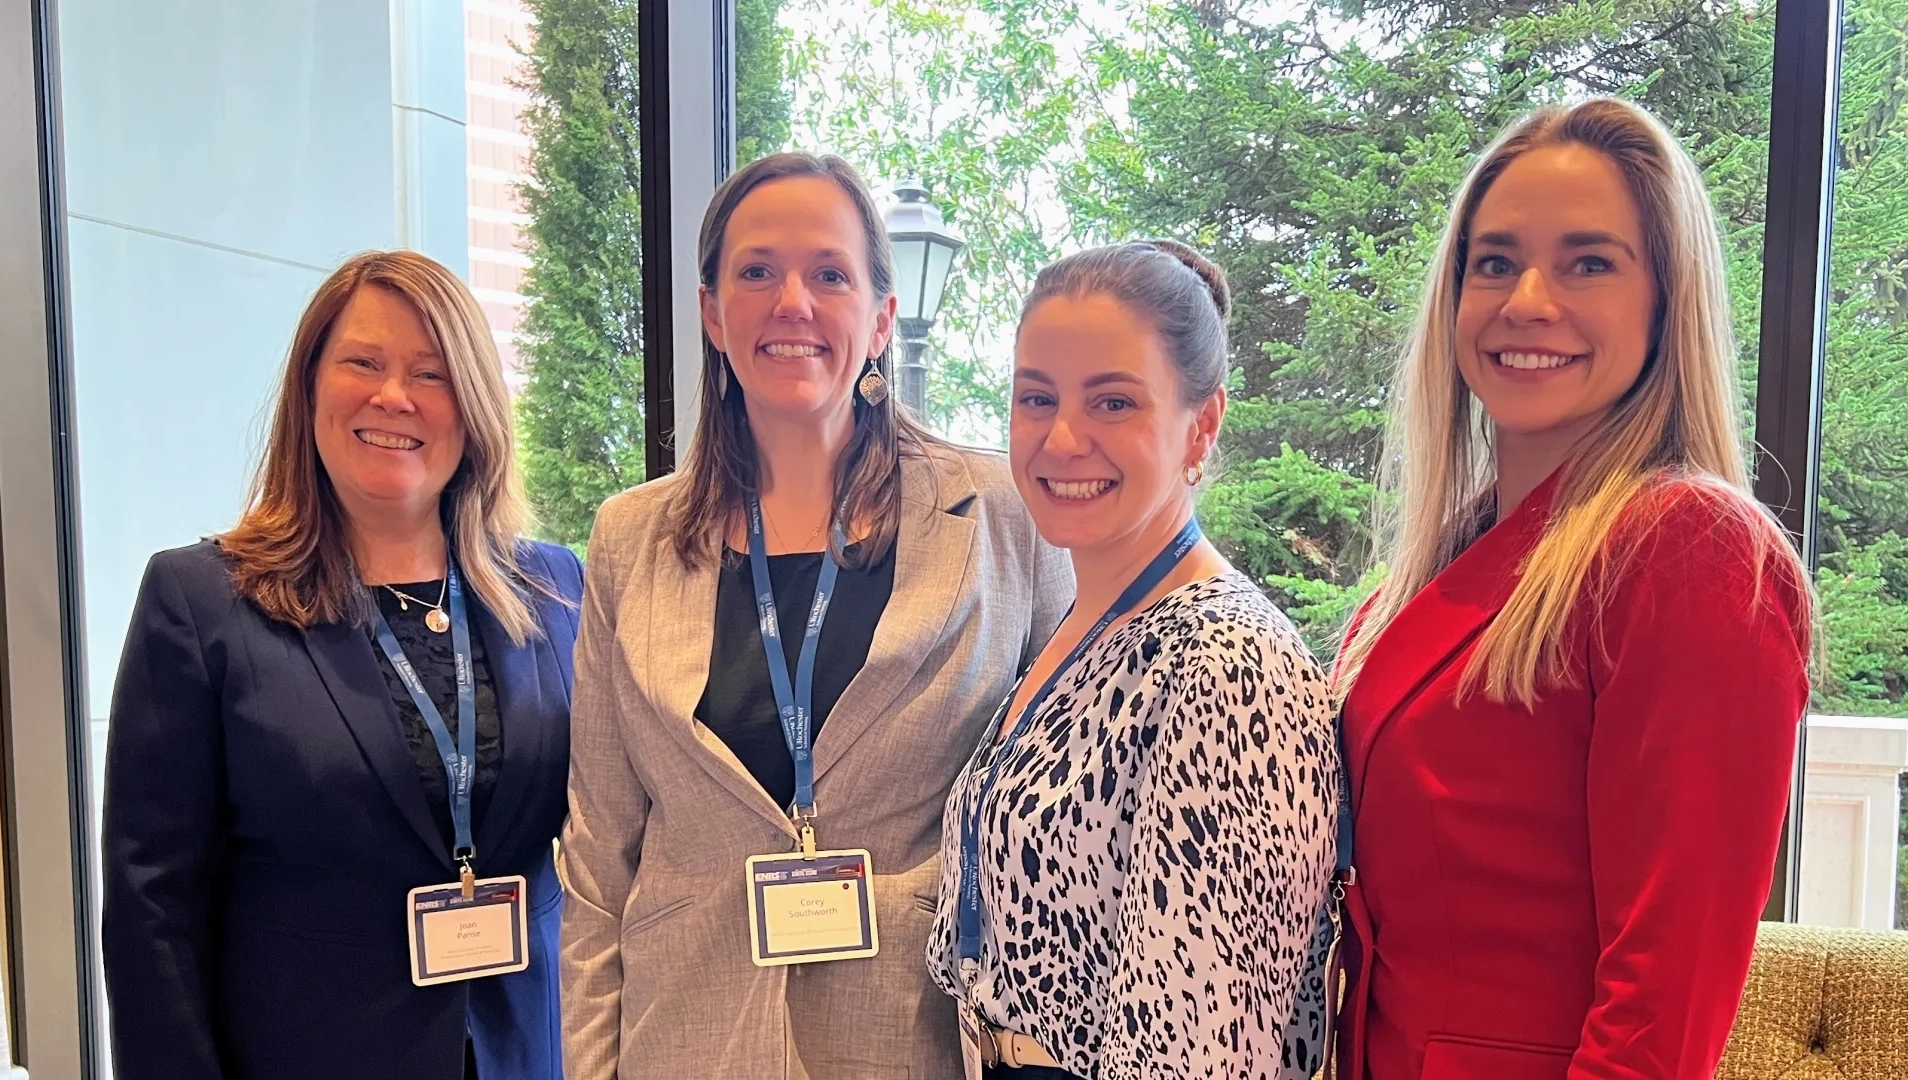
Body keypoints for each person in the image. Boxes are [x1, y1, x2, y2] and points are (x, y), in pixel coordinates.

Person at [559, 152, 1072, 1080]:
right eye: (756, 271)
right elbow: (599, 862)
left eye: (828, 274)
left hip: (913, 1042)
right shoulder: (628, 538)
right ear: (713, 313)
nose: (791, 301)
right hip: (686, 1039)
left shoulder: (1002, 517)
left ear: (879, 319)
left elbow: (1059, 826)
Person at [1330, 98, 1813, 1080]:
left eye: (1590, 261)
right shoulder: (1450, 559)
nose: (1529, 299)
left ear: (1665, 300)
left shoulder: (1691, 553)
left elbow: (1661, 1006)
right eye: (1495, 261)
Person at [101, 250, 582, 1080]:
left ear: (472, 408)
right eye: (363, 362)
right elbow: (153, 912)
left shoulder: (552, 588)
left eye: (432, 374)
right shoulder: (201, 601)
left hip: (523, 1054)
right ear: (311, 387)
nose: (394, 397)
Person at [929, 240, 1340, 1080]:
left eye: (1113, 402)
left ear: (1203, 423)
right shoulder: (1083, 629)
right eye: (1035, 398)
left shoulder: (1230, 666)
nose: (1063, 437)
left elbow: (1202, 1051)